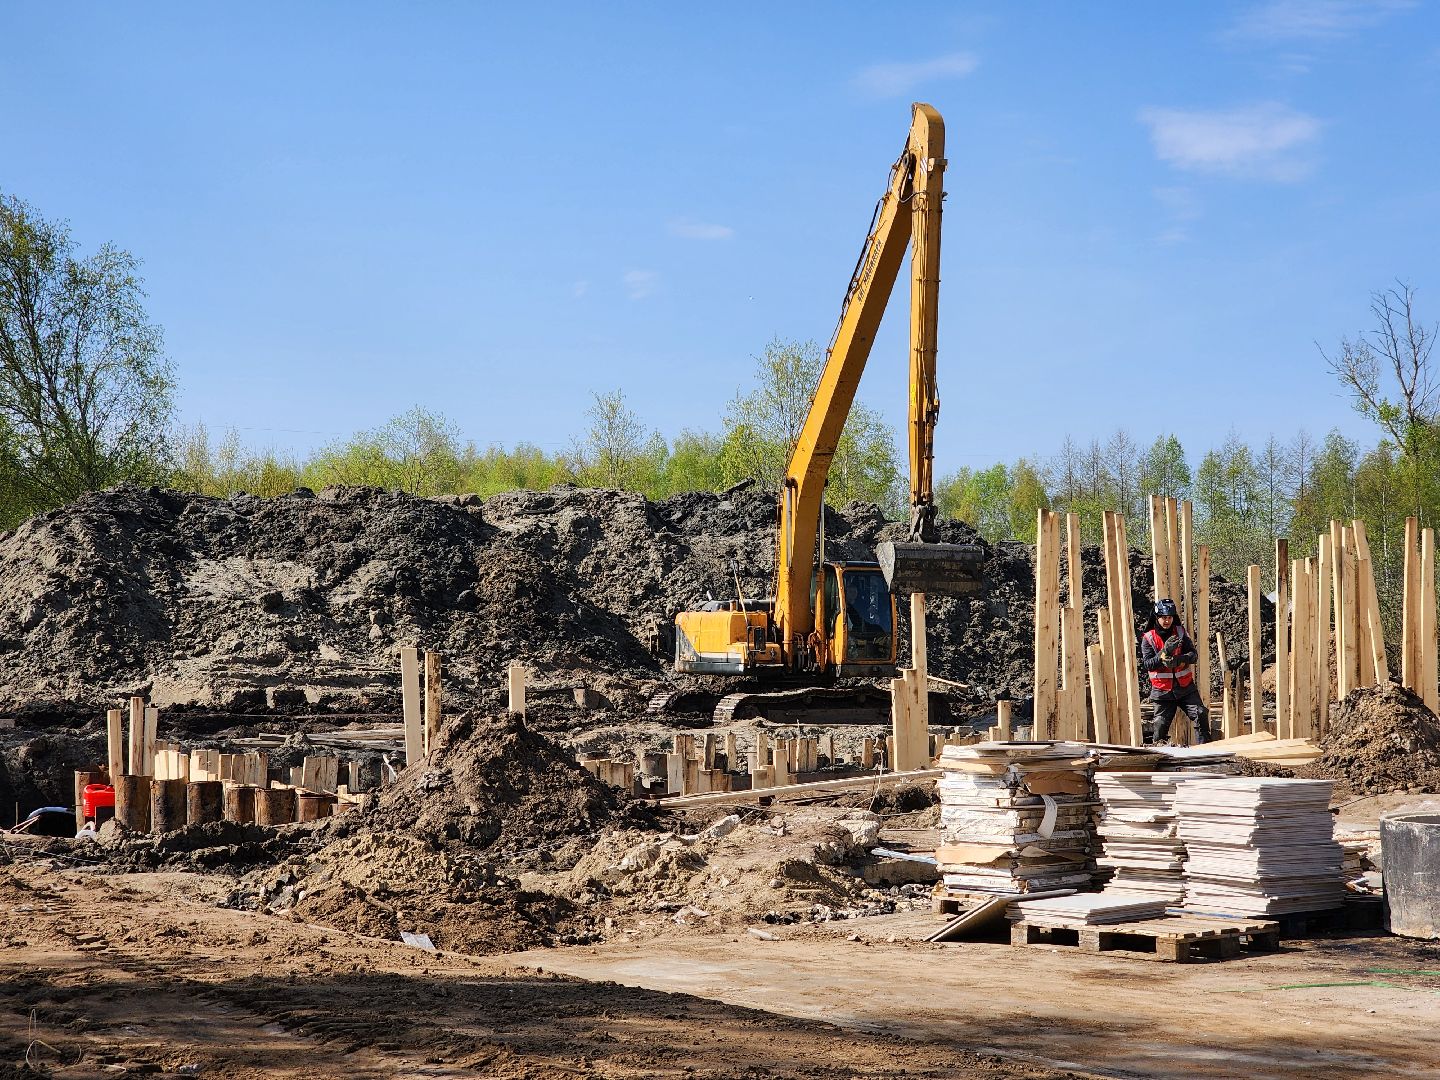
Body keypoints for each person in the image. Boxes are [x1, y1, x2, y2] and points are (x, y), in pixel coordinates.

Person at [1141, 598, 1210, 744]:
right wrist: (1163, 652)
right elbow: (1147, 664)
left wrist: (1179, 659)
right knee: (1159, 726)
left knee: (1201, 713)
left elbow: (1193, 655)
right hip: (1162, 691)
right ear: (1157, 617)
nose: (1167, 621)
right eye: (1164, 618)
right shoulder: (1148, 638)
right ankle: (1159, 757)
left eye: (1170, 617)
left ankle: (1206, 751)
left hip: (1185, 688)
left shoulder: (1180, 632)